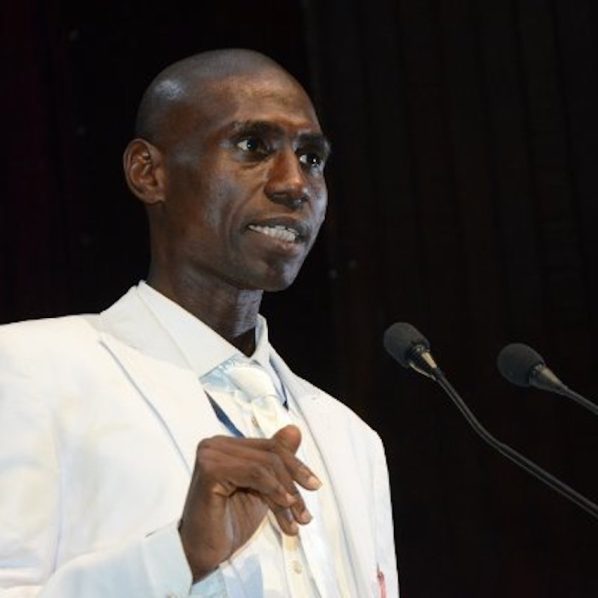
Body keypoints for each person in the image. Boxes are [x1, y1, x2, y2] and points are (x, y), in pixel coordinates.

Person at [0, 49, 398, 597]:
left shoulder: (351, 439)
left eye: (311, 158)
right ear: (149, 172)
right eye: (253, 146)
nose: (294, 184)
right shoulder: (29, 371)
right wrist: (179, 554)